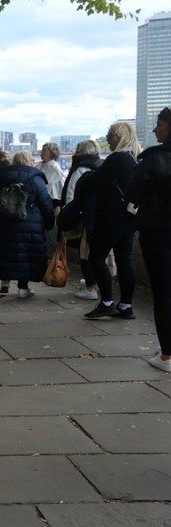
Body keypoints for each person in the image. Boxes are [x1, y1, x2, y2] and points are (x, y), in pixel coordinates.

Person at [126, 107, 171, 371]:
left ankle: (167, 356)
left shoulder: (154, 160)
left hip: (160, 233)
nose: (155, 130)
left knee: (165, 294)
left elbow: (132, 194)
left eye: (160, 124)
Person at [83, 122, 141, 319]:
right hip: (129, 217)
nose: (107, 139)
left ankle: (107, 302)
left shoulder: (117, 158)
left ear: (119, 136)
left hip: (112, 216)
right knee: (125, 259)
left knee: (96, 257)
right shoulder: (134, 158)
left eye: (109, 135)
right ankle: (125, 305)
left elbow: (95, 182)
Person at [0, 152, 55, 297]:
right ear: (29, 161)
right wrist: (49, 223)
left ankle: (4, 282)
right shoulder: (36, 179)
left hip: (3, 222)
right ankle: (23, 288)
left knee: (5, 252)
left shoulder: (2, 177)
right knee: (25, 256)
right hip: (29, 223)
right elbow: (46, 203)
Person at [60, 140, 103, 300]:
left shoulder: (80, 170)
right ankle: (96, 281)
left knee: (84, 252)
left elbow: (71, 196)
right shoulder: (101, 166)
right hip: (101, 216)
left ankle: (90, 287)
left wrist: (68, 215)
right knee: (98, 252)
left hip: (84, 217)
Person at [37, 142, 66, 208]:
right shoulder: (39, 165)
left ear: (52, 153)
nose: (41, 152)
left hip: (52, 201)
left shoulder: (55, 168)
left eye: (44, 150)